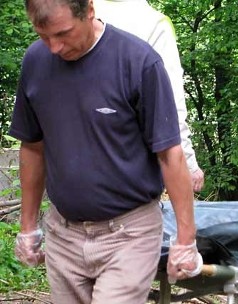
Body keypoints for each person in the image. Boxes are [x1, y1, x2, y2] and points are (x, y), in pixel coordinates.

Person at [11, 0, 202, 302]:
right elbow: (32, 147)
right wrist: (28, 227)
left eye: (63, 34)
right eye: (44, 36)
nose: (55, 48)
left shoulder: (137, 61)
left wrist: (185, 239)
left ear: (89, 10)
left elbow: (170, 153)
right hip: (64, 233)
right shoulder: (36, 62)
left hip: (129, 234)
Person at [93, 0, 205, 192]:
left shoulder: (72, 9)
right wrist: (188, 164)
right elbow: (170, 104)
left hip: (71, 169)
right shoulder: (153, 23)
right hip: (127, 169)